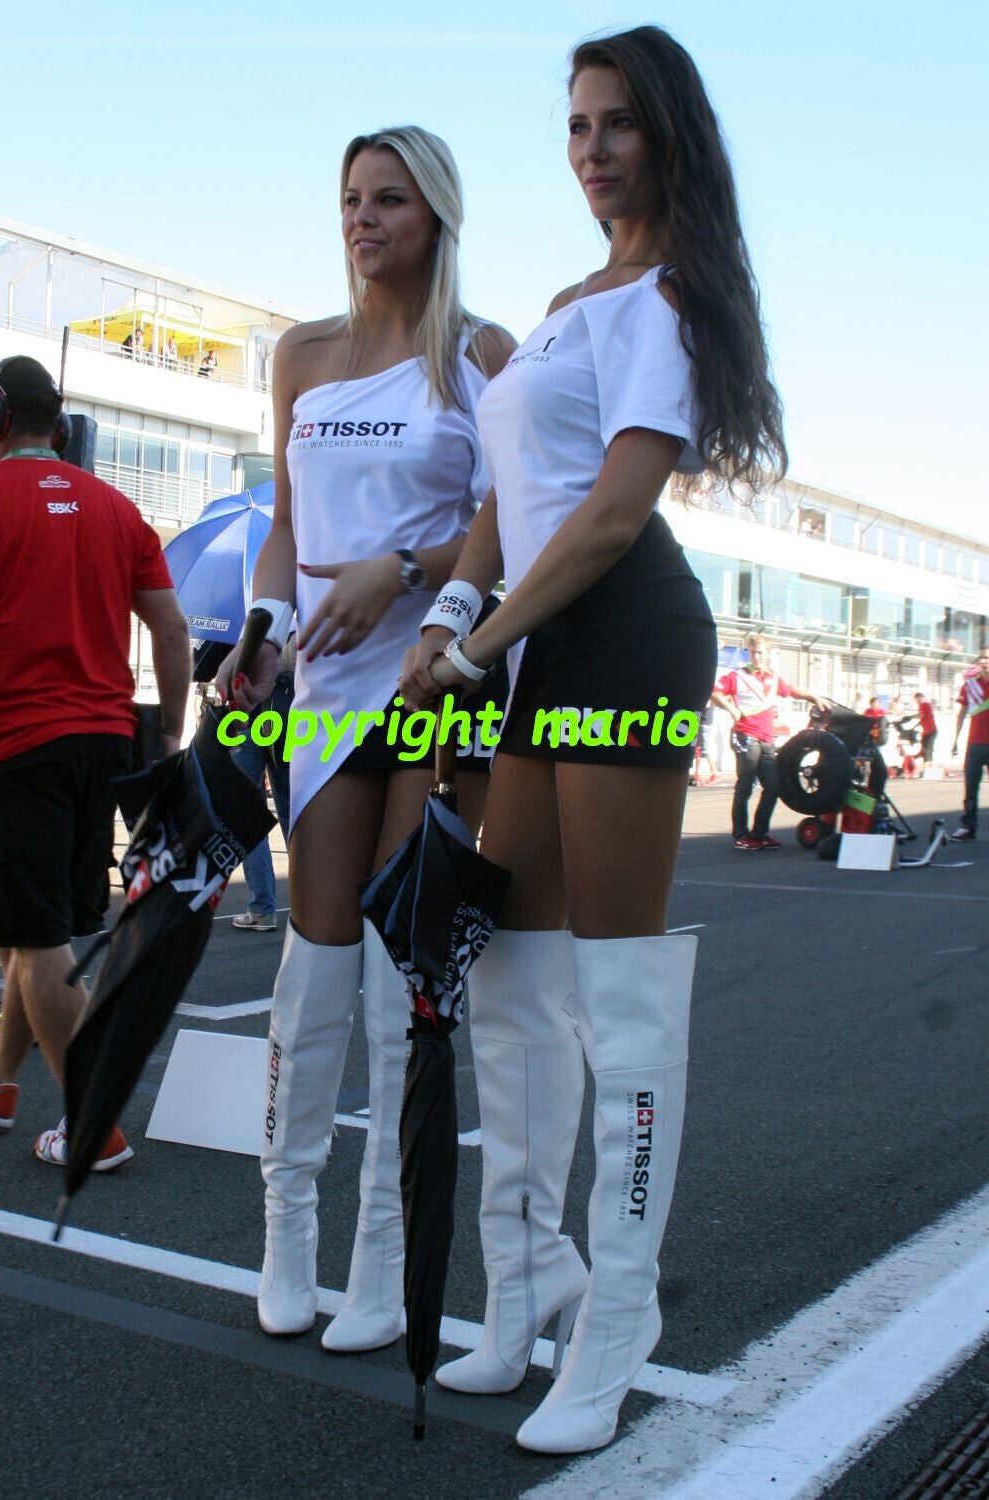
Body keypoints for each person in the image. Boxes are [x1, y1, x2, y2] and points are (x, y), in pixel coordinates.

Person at [399, 26, 786, 1453]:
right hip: (530, 639)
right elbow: (506, 499)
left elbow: (613, 514)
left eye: (617, 122)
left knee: (618, 996)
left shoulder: (670, 298)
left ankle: (617, 1319)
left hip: (621, 633)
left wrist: (478, 648)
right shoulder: (569, 300)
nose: (592, 149)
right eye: (575, 124)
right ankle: (523, 1293)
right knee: (506, 977)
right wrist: (454, 615)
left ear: (666, 133)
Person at [216, 126, 514, 1350]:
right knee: (315, 956)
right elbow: (286, 528)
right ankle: (286, 1231)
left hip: (437, 677)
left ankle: (383, 1261)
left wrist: (402, 568)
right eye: (349, 198)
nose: (362, 219)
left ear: (435, 215)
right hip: (328, 684)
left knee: (404, 975)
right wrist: (263, 629)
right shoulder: (302, 354)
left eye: (388, 199)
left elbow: (507, 520)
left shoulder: (478, 354)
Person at [0, 356, 191, 1164]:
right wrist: (169, 735)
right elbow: (170, 628)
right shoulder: (117, 507)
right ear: (61, 423)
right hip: (103, 744)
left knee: (37, 937)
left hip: (15, 744)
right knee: (35, 929)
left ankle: (92, 1124)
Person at [712, 633, 825, 849]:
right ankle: (741, 835)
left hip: (766, 739)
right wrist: (730, 708)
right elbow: (714, 692)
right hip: (746, 736)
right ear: (748, 653)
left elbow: (791, 690)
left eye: (761, 653)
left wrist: (814, 697)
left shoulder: (772, 678)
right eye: (753, 652)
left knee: (773, 786)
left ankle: (759, 833)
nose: (757, 657)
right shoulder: (738, 676)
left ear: (768, 654)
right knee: (745, 786)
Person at [232, 637, 295, 931]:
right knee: (292, 811)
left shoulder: (253, 616)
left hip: (253, 715)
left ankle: (262, 908)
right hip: (286, 708)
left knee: (248, 813)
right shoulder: (292, 615)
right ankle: (311, 905)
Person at [949, 644, 989, 840]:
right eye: (982, 657)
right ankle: (968, 826)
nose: (984, 661)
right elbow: (962, 713)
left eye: (987, 658)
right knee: (971, 787)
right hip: (975, 743)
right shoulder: (970, 686)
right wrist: (955, 739)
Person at [914, 692, 937, 773]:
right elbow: (923, 719)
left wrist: (910, 717)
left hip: (931, 731)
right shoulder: (925, 705)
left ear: (920, 698)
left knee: (927, 750)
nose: (917, 701)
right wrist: (914, 727)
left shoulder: (924, 704)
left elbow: (921, 716)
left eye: (917, 699)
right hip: (927, 732)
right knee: (925, 750)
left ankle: (927, 769)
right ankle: (927, 767)